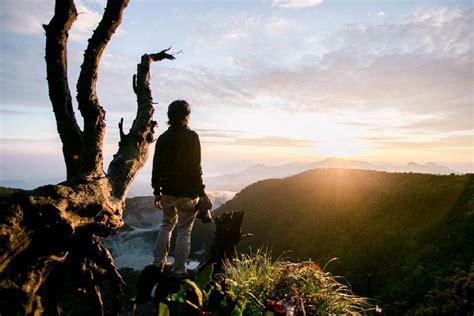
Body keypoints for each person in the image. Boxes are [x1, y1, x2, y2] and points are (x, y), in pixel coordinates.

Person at [151, 99, 212, 279]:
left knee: (166, 226)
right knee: (184, 232)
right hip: (187, 194)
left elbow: (156, 167)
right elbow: (196, 168)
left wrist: (156, 191)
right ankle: (178, 271)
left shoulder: (162, 138)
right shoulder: (192, 137)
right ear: (186, 116)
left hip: (168, 192)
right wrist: (201, 193)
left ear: (170, 117)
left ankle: (157, 264)